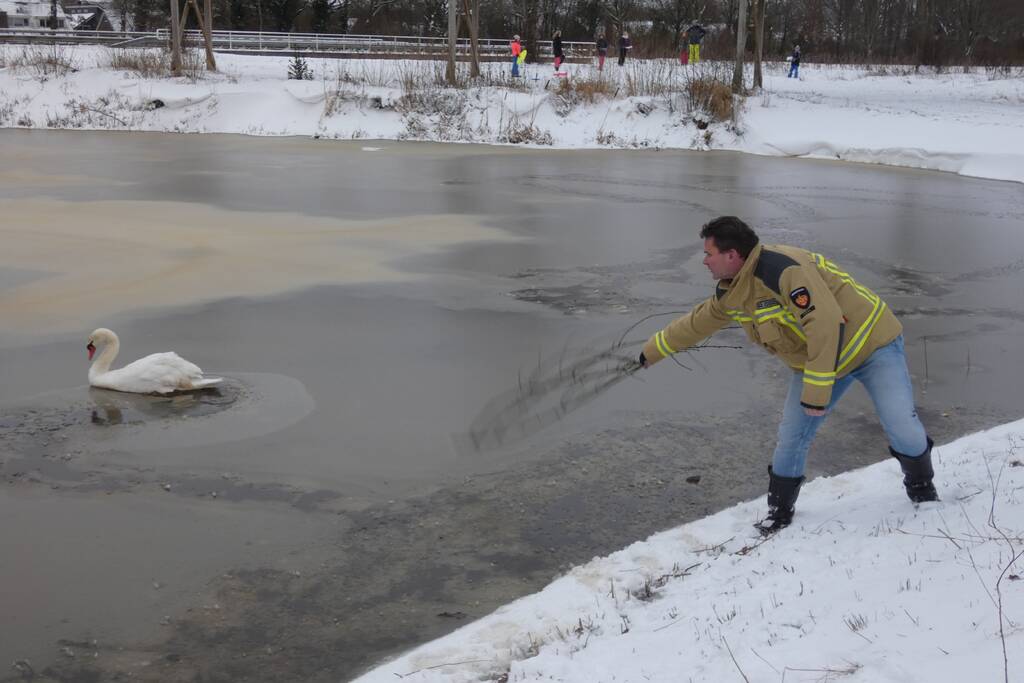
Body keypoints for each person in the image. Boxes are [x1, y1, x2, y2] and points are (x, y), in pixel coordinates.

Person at [638, 216, 939, 535]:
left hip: (871, 345)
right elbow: (699, 321)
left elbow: (824, 322)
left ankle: (922, 490)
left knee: (900, 424)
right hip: (820, 359)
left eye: (708, 254)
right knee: (792, 436)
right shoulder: (735, 290)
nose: (704, 261)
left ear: (732, 255)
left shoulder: (782, 270)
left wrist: (817, 393)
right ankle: (779, 511)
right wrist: (652, 351)